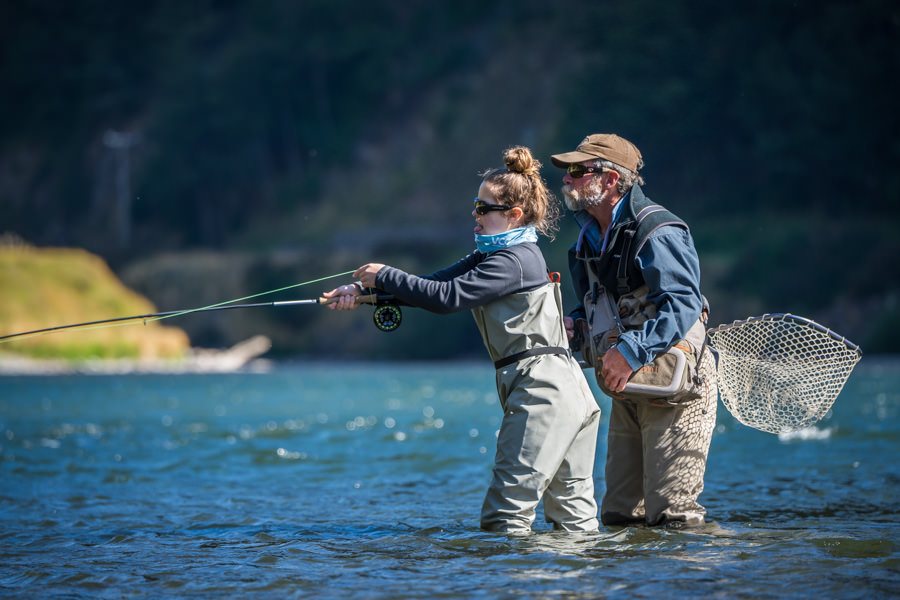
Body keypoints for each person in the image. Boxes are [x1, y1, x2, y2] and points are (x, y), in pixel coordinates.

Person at [322, 146, 601, 533]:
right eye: (476, 204)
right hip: (567, 392)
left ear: (513, 215)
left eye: (484, 208)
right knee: (574, 520)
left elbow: (447, 300)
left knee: (505, 517)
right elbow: (433, 285)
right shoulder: (500, 255)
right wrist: (362, 292)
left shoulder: (512, 261)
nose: (475, 213)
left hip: (543, 395)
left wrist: (384, 274)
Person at [550, 133, 718, 528]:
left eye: (577, 171)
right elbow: (598, 304)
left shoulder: (658, 230)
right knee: (618, 516)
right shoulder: (587, 239)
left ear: (610, 180)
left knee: (675, 519)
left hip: (677, 387)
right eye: (568, 172)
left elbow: (683, 303)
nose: (567, 180)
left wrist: (629, 352)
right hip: (629, 384)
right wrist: (576, 325)